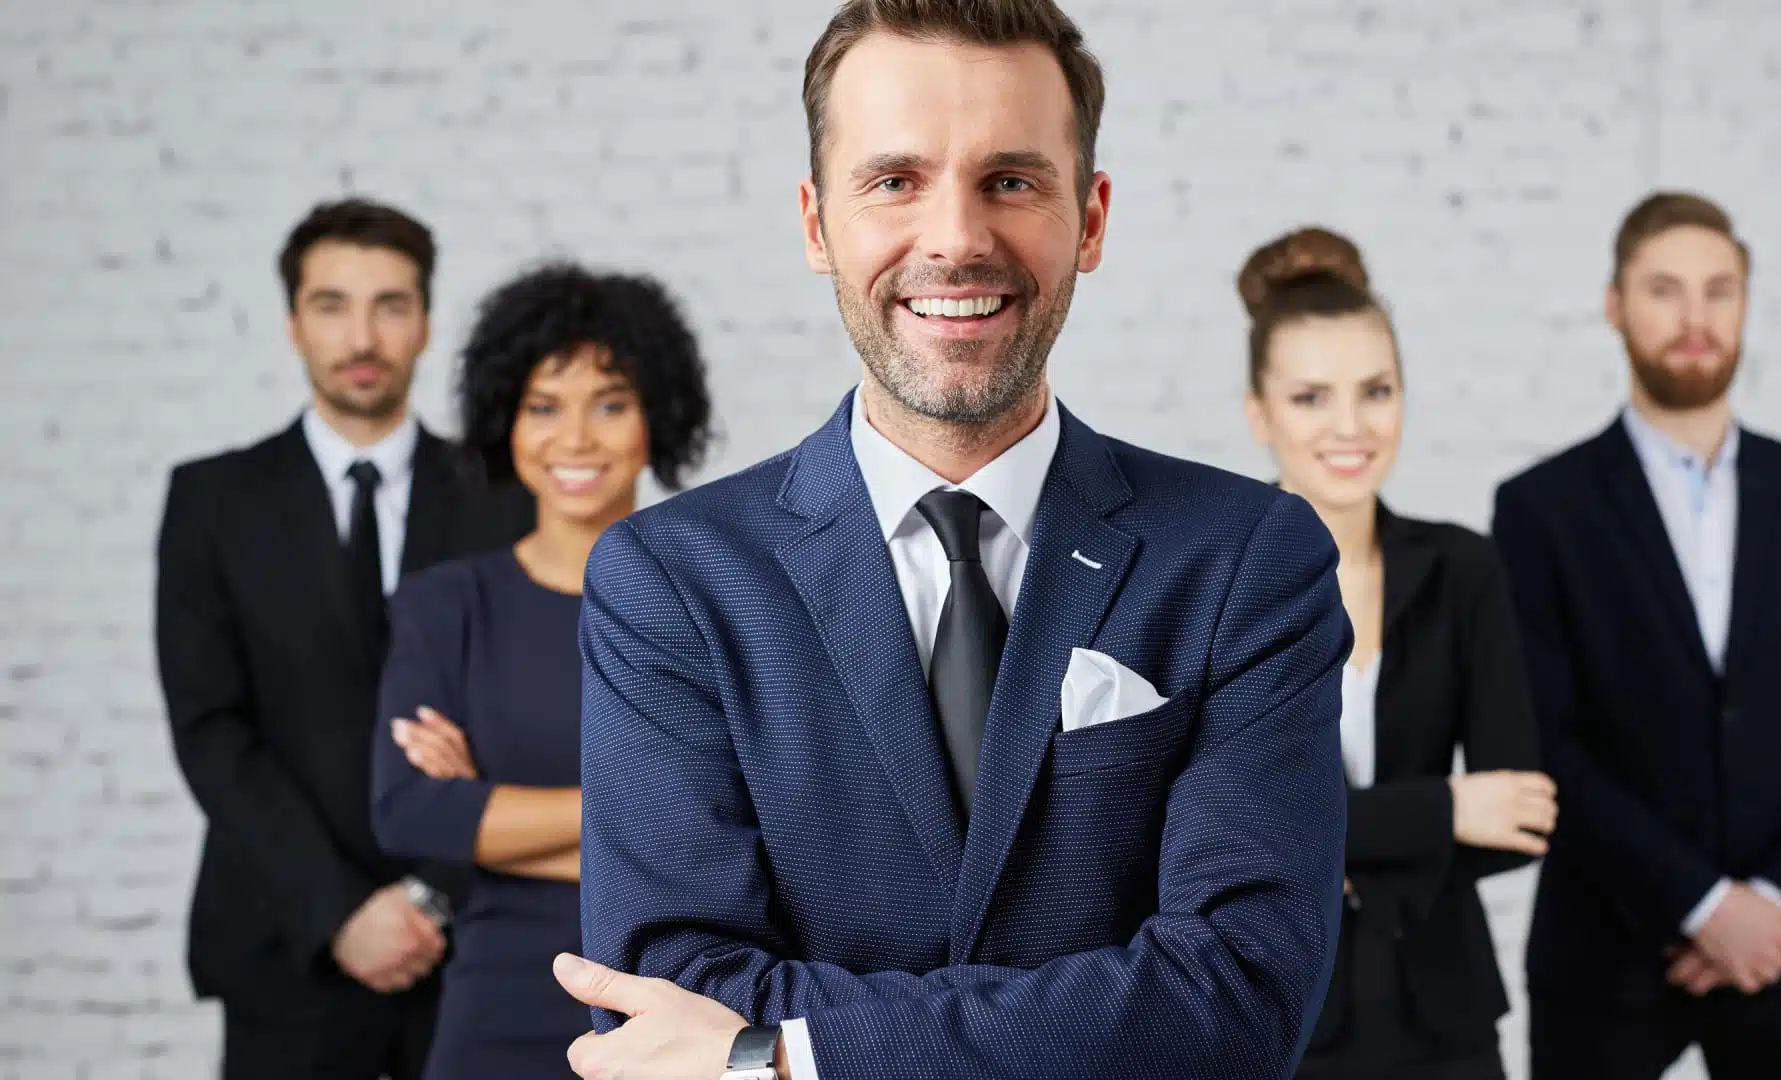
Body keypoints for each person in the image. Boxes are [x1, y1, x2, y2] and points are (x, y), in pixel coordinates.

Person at [546, 3, 1351, 1079]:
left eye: (1011, 180)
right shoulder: (673, 584)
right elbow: (663, 993)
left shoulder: (1247, 559)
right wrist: (1097, 1015)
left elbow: (1239, 998)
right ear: (817, 224)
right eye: (894, 181)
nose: (959, 239)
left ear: (1092, 218)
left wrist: (787, 1056)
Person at [1492, 191, 1781, 1080]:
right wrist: (1699, 904)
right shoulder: (1541, 510)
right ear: (1614, 305)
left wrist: (1768, 901)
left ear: (1746, 303)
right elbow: (1542, 739)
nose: (1696, 318)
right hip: (1604, 959)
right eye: (1665, 290)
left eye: (1719, 290)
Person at [154, 197, 534, 1079]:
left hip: (472, 944)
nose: (362, 336)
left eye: (390, 305)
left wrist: (432, 898)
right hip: (285, 944)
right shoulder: (213, 504)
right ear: (293, 324)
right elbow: (212, 731)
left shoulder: (506, 501)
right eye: (333, 304)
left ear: (427, 322)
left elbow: (532, 722)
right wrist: (338, 912)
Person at [369, 262, 715, 1079]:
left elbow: (751, 833)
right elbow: (410, 811)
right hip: (495, 1007)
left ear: (655, 418)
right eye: (543, 408)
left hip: (676, 1007)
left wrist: (496, 822)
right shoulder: (446, 605)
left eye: (611, 404)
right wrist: (639, 825)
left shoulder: (711, 602)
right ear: (505, 423)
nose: (576, 440)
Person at [1238, 228, 1556, 1080]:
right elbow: (1228, 835)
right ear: (1259, 414)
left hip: (1444, 1018)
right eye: (1311, 398)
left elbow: (1518, 817)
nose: (1351, 427)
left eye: (1376, 391)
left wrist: (1336, 844)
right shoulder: (1212, 583)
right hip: (1280, 1017)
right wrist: (1443, 810)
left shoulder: (1463, 569)